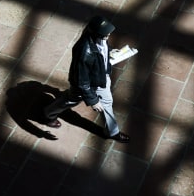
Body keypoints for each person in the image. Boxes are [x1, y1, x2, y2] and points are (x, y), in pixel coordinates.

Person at [42, 15, 130, 143]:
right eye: (106, 34)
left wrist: (111, 52)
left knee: (106, 102)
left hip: (100, 79)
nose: (108, 35)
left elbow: (103, 48)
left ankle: (112, 132)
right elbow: (82, 82)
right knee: (70, 100)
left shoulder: (99, 38)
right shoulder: (84, 52)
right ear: (96, 33)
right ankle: (48, 113)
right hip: (85, 85)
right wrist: (93, 100)